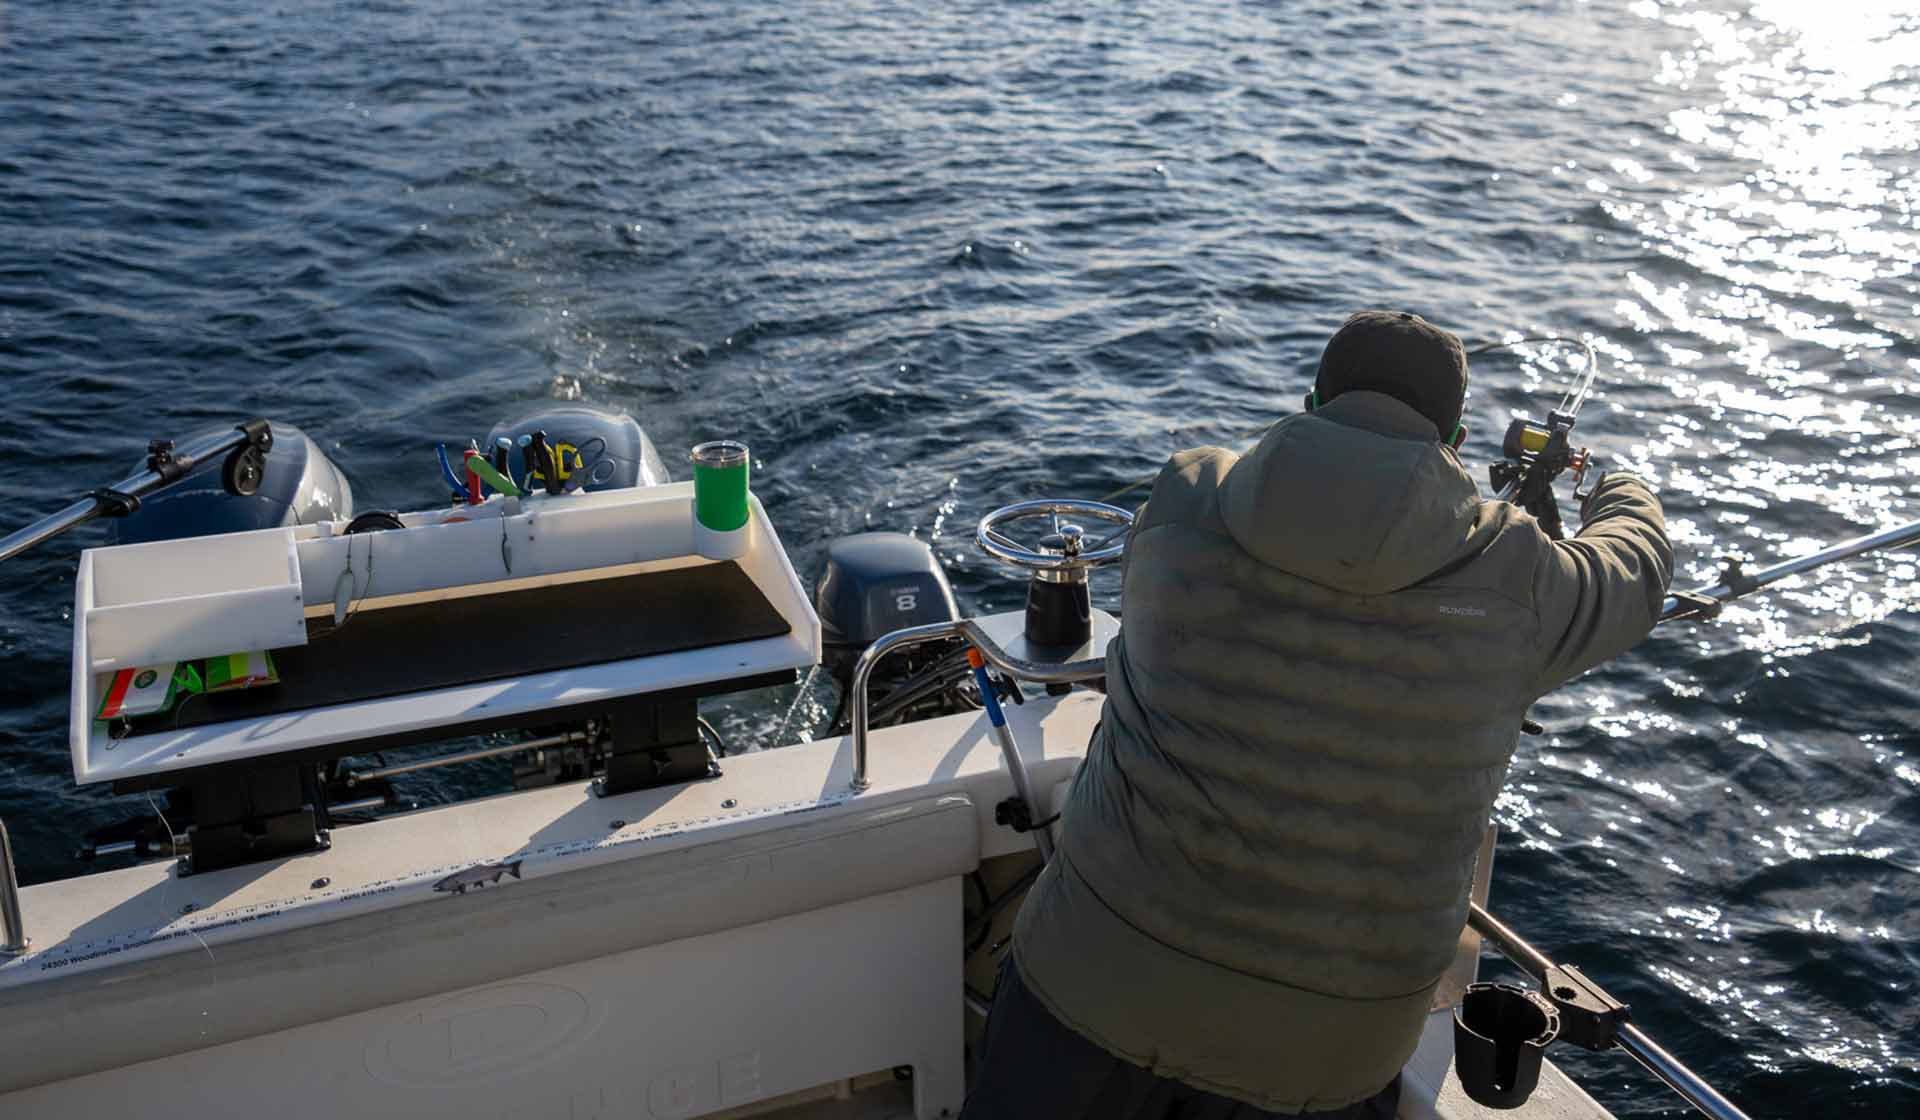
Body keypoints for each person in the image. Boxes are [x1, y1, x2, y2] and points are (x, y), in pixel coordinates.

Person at [962, 310, 1674, 1118]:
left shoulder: (1187, 495)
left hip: (1089, 978)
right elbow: (1638, 566)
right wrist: (1611, 484)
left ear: (1310, 401)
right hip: (1326, 1050)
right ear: (1457, 437)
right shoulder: (1523, 580)